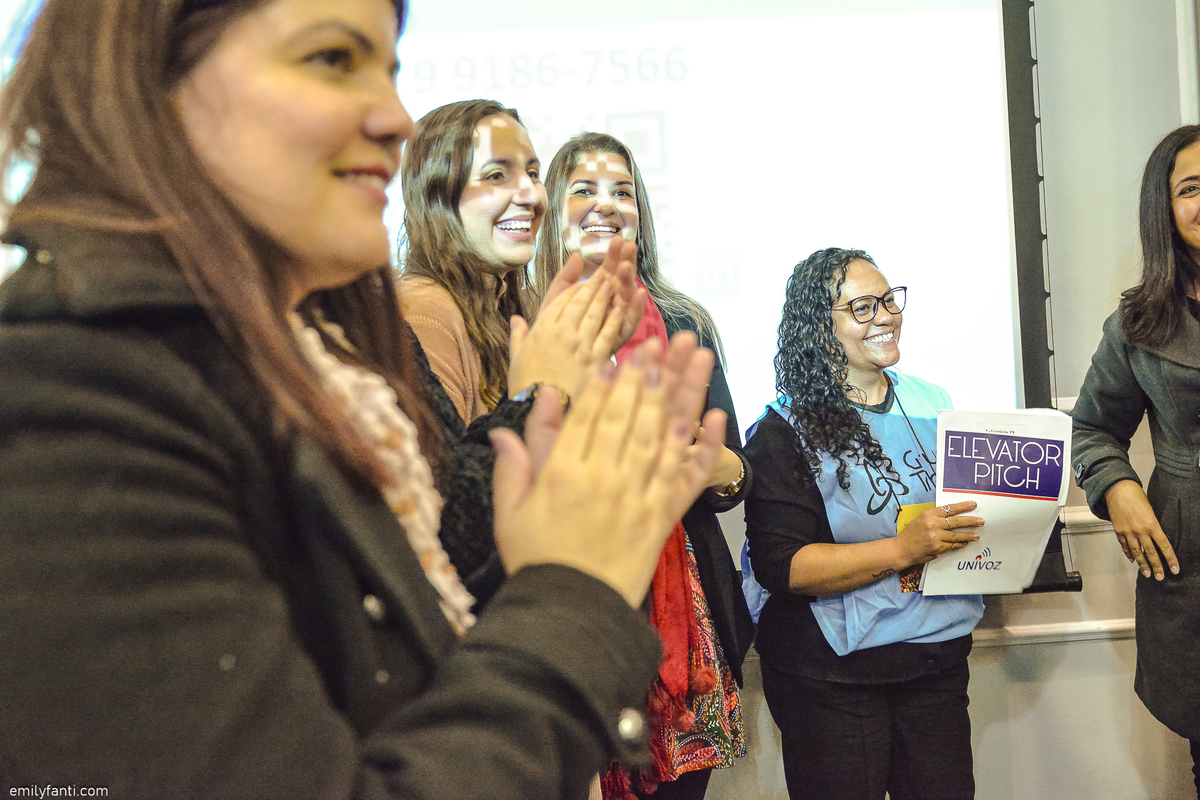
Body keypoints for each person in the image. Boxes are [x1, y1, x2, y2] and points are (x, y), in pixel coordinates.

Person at [0, 0, 729, 796]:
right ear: (152, 84)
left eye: (388, 69)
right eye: (331, 60)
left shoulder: (320, 340)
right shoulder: (73, 385)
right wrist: (575, 593)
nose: (394, 118)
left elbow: (409, 608)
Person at [533, 132, 755, 800]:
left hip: (686, 629)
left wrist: (702, 464)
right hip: (568, 618)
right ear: (552, 209)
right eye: (584, 190)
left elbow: (737, 474)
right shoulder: (521, 320)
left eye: (623, 191)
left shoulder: (687, 320)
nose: (606, 205)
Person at [742, 248, 985, 800]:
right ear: (819, 329)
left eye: (889, 299)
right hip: (831, 679)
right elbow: (784, 568)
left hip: (935, 660)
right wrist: (902, 550)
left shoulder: (934, 402)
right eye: (862, 306)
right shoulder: (783, 430)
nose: (885, 315)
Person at [1071, 124, 1200, 794]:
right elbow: (1092, 429)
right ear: (1165, 210)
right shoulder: (1138, 324)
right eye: (1191, 188)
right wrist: (1119, 490)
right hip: (1191, 565)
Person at [397, 100, 640, 426]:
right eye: (496, 175)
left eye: (532, 174)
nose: (532, 195)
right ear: (438, 196)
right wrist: (543, 393)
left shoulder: (512, 304)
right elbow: (442, 473)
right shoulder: (427, 312)